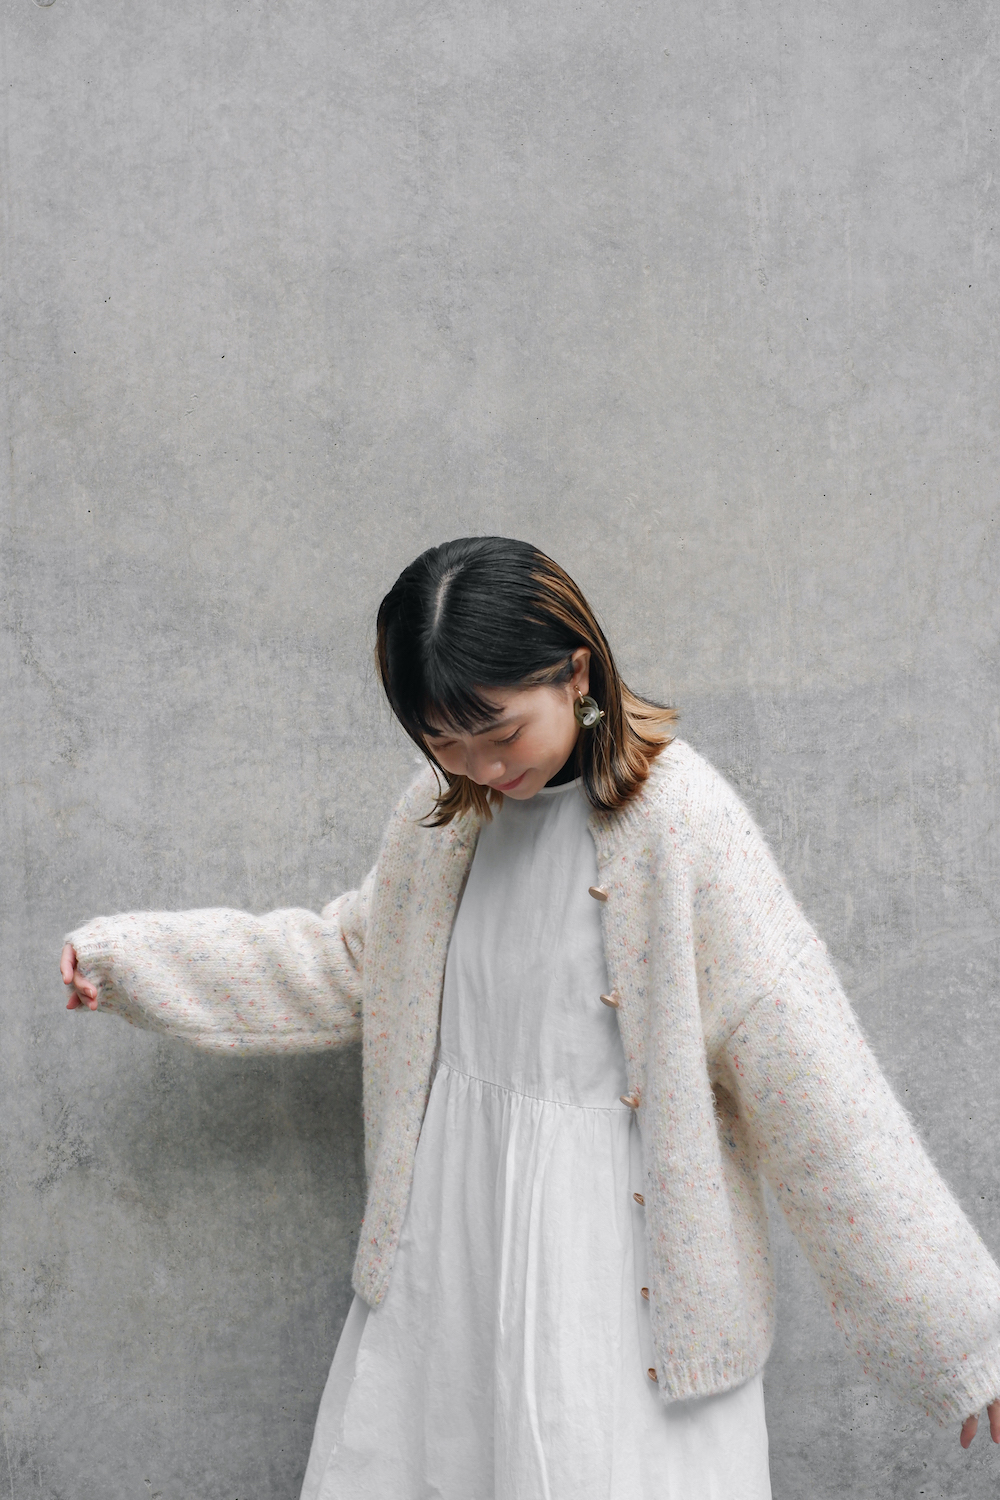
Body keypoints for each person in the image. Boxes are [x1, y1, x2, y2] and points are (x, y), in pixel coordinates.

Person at [61, 535, 1000, 1499]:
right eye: (442, 742)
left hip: (621, 1284)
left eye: (498, 732)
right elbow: (346, 961)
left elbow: (814, 1081)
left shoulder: (681, 823)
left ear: (575, 672)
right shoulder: (445, 819)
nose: (478, 765)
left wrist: (965, 1341)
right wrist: (129, 961)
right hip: (451, 1255)